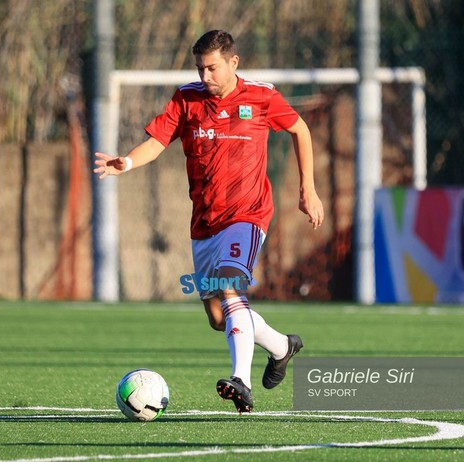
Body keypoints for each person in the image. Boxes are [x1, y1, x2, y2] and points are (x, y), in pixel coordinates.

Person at [94, 30, 324, 414]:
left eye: (212, 68)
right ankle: (282, 346)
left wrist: (308, 189)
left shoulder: (262, 97)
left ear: (233, 62)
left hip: (247, 216)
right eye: (200, 68)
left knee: (232, 289)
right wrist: (129, 161)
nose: (205, 76)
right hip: (204, 223)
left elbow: (300, 129)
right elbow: (157, 141)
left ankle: (242, 381)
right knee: (220, 317)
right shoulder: (187, 99)